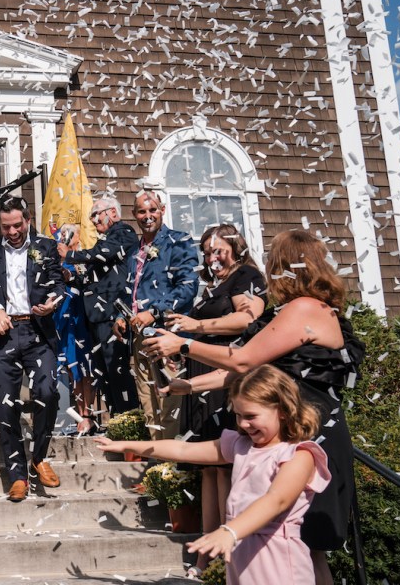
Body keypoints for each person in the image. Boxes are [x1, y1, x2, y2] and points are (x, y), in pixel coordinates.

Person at [143, 229, 366, 584]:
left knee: (306, 547)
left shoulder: (305, 308)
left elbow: (244, 360)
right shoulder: (300, 310)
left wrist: (182, 345)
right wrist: (185, 386)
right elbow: (243, 373)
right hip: (290, 430)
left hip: (311, 434)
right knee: (295, 545)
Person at [96, 364, 331, 585]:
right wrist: (126, 445)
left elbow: (276, 500)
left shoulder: (299, 454)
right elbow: (183, 449)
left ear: (282, 410)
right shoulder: (240, 445)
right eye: (238, 415)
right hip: (240, 552)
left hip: (276, 557)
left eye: (251, 416)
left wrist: (229, 531)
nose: (244, 424)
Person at [162, 224, 267, 577]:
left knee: (224, 467)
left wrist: (195, 328)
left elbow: (247, 319)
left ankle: (226, 556)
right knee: (208, 470)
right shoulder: (213, 287)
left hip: (228, 382)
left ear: (236, 249)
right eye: (207, 252)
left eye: (218, 250)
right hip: (201, 380)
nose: (212, 257)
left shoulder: (247, 277)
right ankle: (205, 556)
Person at [0, 196, 66, 502]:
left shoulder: (46, 247)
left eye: (17, 225)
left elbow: (57, 282)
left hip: (38, 330)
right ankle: (17, 475)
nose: (12, 232)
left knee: (48, 391)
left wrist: (52, 302)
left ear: (27, 220)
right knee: (4, 405)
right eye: (6, 226)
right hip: (4, 332)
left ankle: (39, 457)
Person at [115, 189, 198, 441]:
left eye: (153, 210)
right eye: (142, 211)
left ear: (162, 210)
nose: (148, 216)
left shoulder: (179, 241)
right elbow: (129, 290)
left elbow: (188, 287)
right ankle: (157, 467)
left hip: (168, 333)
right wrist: (120, 317)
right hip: (139, 336)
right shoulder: (133, 252)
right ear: (134, 215)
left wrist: (155, 311)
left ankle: (173, 465)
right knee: (147, 398)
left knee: (171, 397)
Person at [57, 196, 139, 417]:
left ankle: (129, 421)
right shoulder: (106, 239)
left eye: (96, 214)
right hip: (96, 318)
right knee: (105, 375)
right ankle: (117, 422)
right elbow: (93, 277)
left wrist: (71, 255)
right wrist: (71, 278)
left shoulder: (124, 232)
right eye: (91, 216)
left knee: (118, 372)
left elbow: (102, 255)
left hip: (113, 316)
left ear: (113, 212)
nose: (92, 220)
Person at [52, 223, 96, 434]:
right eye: (62, 234)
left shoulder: (83, 258)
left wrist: (68, 259)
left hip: (80, 317)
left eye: (69, 233)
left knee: (84, 366)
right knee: (71, 367)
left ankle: (88, 415)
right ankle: (80, 416)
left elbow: (84, 278)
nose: (65, 237)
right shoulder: (55, 260)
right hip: (61, 317)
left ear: (78, 237)